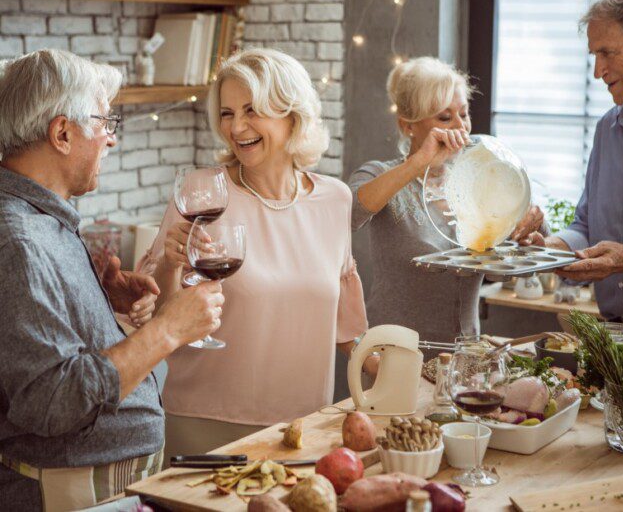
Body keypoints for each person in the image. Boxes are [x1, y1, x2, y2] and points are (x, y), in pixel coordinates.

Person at [0, 50, 224, 510]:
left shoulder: (43, 218)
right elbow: (53, 399)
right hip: (70, 491)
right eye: (105, 123)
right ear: (62, 133)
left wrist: (102, 303)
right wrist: (168, 330)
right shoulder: (19, 240)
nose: (111, 140)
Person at [138, 48, 376, 460]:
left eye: (252, 110)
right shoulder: (200, 194)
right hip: (207, 422)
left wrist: (405, 379)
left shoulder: (335, 199)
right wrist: (169, 263)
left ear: (292, 115)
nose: (237, 127)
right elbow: (156, 318)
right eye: (227, 113)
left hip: (304, 426)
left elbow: (345, 329)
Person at [348, 57, 544, 347]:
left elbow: (491, 270)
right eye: (444, 117)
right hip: (395, 354)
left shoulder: (478, 183)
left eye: (463, 114)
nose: (460, 127)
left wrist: (526, 233)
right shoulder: (379, 173)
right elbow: (349, 212)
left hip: (465, 351)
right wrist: (418, 163)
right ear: (408, 126)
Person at [525, 0, 623, 320]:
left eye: (607, 52)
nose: (598, 72)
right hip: (613, 332)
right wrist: (545, 250)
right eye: (594, 56)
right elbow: (586, 228)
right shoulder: (607, 130)